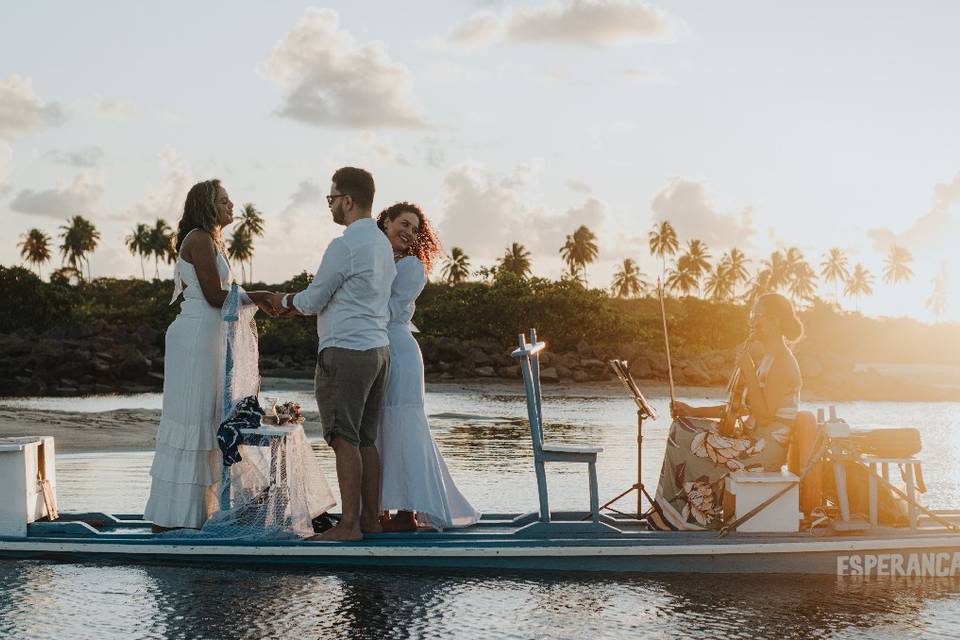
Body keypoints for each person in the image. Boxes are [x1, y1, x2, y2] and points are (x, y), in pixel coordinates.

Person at [267, 167, 395, 541]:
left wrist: (281, 300)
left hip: (346, 352)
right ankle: (370, 519)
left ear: (348, 201)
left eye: (331, 199)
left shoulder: (345, 246)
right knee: (365, 439)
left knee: (343, 438)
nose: (330, 206)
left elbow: (313, 300)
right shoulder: (381, 244)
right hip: (378, 350)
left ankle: (349, 525)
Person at [144, 179, 275, 530]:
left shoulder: (213, 240)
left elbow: (224, 296)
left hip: (212, 337)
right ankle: (175, 518)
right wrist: (260, 295)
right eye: (224, 201)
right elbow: (217, 298)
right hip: (197, 337)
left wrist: (258, 298)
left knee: (211, 417)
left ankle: (202, 513)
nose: (231, 206)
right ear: (207, 205)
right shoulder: (199, 239)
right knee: (194, 417)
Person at [652, 292, 803, 531]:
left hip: (764, 449)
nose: (753, 321)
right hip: (750, 439)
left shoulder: (783, 361)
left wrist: (749, 371)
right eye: (752, 315)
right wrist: (692, 410)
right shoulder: (767, 358)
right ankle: (677, 514)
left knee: (683, 437)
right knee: (682, 426)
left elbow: (764, 415)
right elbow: (738, 408)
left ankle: (684, 518)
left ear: (776, 321)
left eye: (759, 315)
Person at [375, 202, 481, 532]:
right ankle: (381, 510)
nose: (408, 232)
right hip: (378, 346)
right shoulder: (377, 259)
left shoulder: (411, 267)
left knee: (403, 424)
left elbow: (387, 310)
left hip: (399, 349)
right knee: (380, 425)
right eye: (403, 224)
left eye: (414, 228)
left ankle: (407, 511)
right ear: (386, 222)